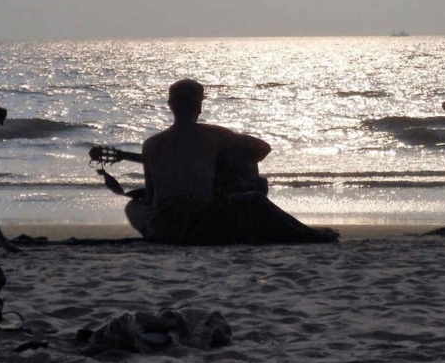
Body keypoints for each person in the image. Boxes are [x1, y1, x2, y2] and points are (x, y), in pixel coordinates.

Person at [125, 79, 338, 244]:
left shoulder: (151, 144)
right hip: (200, 226)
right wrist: (230, 155)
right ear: (199, 106)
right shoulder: (214, 135)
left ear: (170, 105)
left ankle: (156, 235)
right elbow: (263, 149)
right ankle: (307, 234)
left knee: (133, 206)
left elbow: (152, 196)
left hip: (164, 227)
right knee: (255, 192)